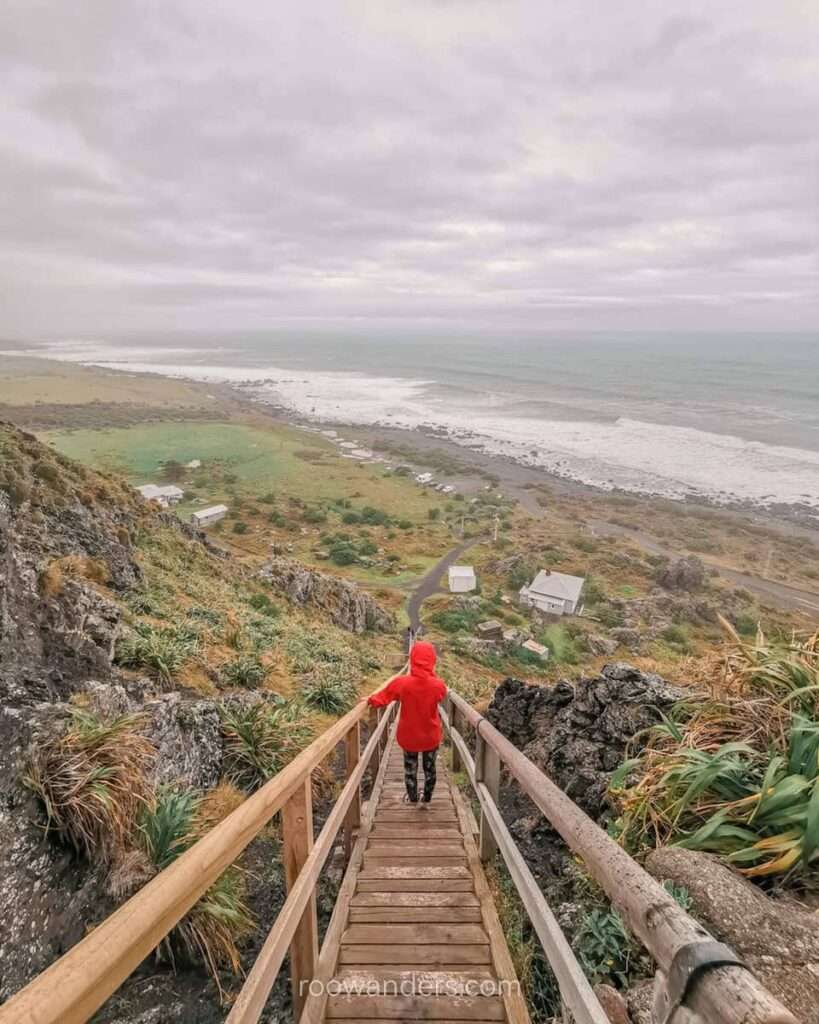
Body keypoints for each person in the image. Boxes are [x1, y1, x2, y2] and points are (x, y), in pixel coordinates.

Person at [367, 640, 447, 804]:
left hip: (409, 736)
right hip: (430, 736)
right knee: (430, 770)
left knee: (410, 770)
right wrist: (431, 676)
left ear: (412, 659)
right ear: (432, 661)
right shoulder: (438, 685)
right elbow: (441, 695)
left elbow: (383, 697)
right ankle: (427, 799)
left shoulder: (402, 683)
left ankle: (412, 799)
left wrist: (370, 700)